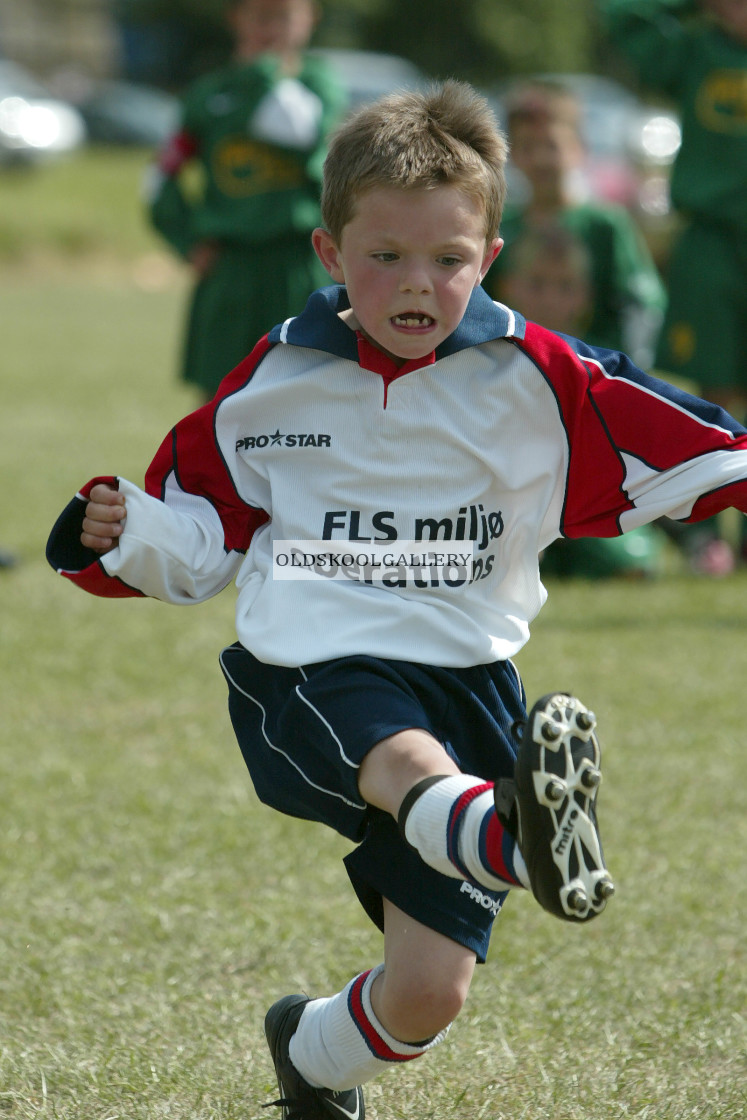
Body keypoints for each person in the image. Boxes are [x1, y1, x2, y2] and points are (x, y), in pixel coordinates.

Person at [47, 82, 747, 1119]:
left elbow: (700, 453)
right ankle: (510, 834)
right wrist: (122, 530)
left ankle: (313, 1055)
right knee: (400, 752)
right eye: (386, 257)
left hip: (475, 690)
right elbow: (197, 538)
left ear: (490, 256)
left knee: (428, 994)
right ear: (331, 253)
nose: (417, 283)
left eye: (448, 260)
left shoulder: (543, 379)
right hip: (312, 672)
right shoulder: (276, 376)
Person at [598, 0, 747, 570]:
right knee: (716, 388)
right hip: (711, 239)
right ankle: (708, 537)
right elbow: (622, 18)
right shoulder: (696, 50)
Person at [146, 0, 346, 400]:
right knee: (223, 395)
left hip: (298, 261)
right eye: (259, 15)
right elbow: (160, 176)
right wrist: (188, 240)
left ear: (310, 19)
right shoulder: (208, 95)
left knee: (306, 390)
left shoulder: (319, 84)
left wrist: (263, 75)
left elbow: (303, 132)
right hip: (229, 267)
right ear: (235, 18)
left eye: (284, 15)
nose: (270, 28)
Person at [498, 224, 665, 579]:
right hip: (508, 498)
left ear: (584, 296)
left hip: (583, 500)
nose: (550, 298)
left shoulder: (600, 366)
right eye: (537, 284)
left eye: (564, 287)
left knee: (630, 565)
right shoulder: (489, 359)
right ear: (508, 286)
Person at [483, 77, 666, 370]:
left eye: (551, 145)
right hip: (508, 371)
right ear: (511, 154)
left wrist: (610, 363)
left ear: (579, 148)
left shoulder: (604, 226)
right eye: (528, 146)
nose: (541, 158)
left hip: (588, 371)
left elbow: (639, 306)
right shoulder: (499, 227)